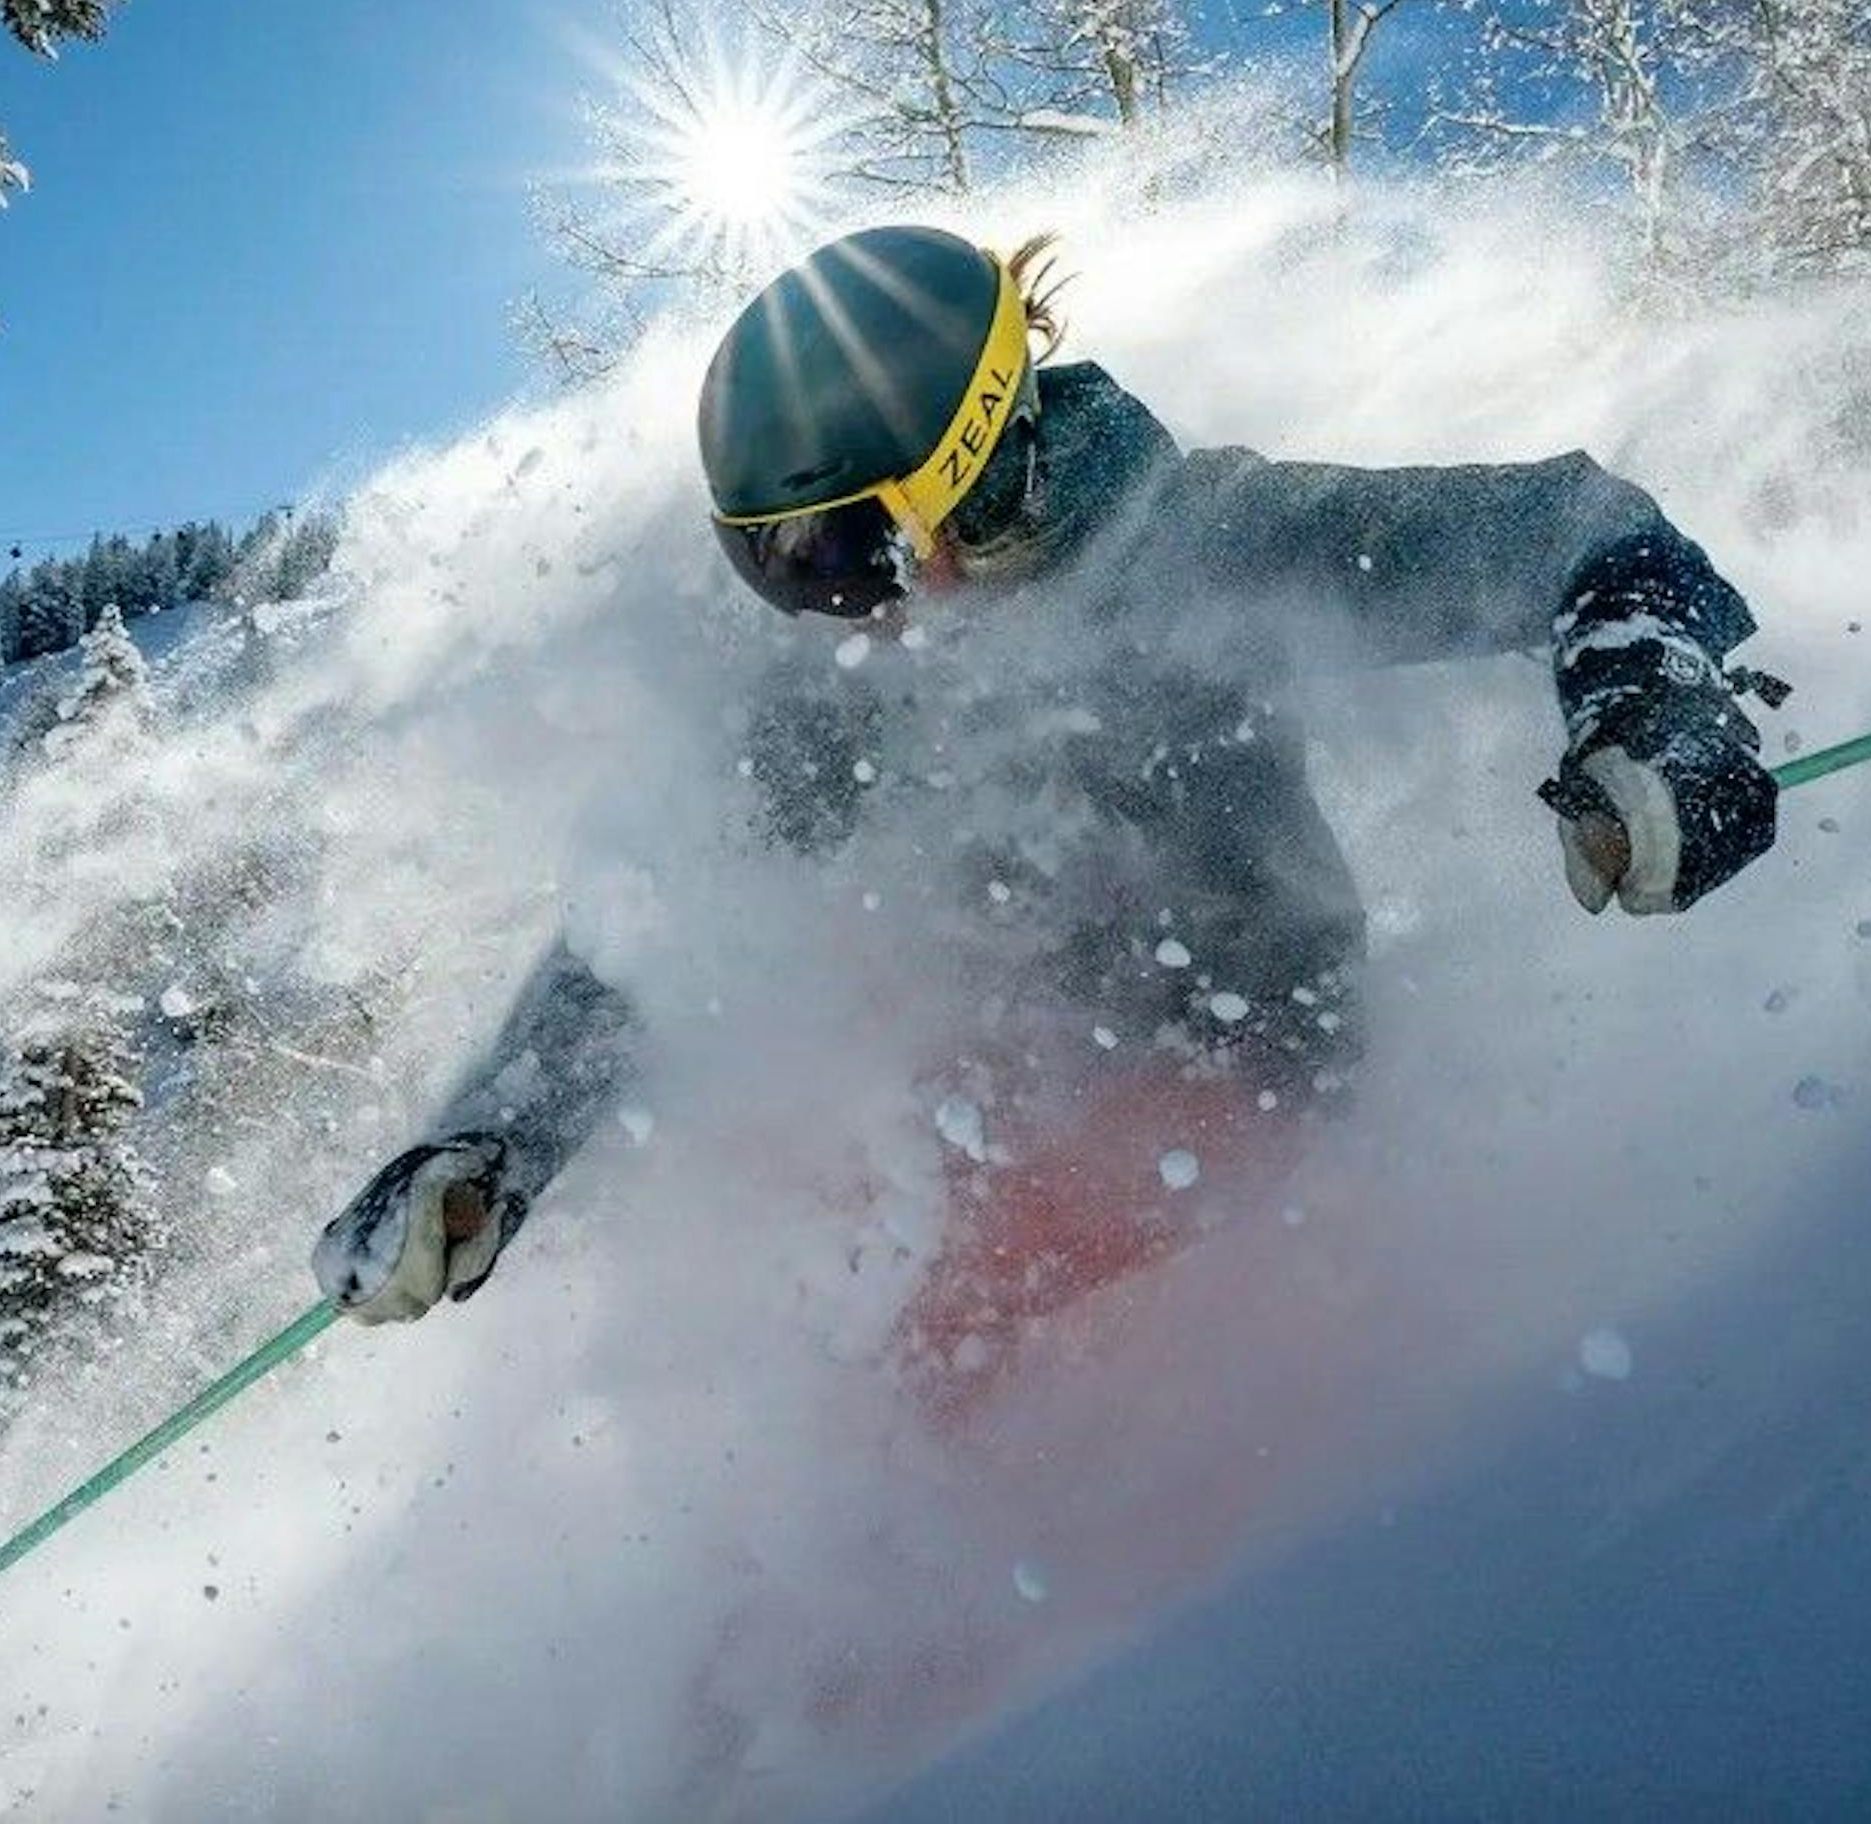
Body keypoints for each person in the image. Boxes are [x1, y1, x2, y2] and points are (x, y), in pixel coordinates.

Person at [310, 225, 1778, 1398]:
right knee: (837, 1291)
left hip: (1241, 1079)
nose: (830, 614)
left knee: (944, 1363)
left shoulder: (1203, 551)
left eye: (840, 559)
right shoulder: (863, 680)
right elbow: (672, 913)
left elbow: (1588, 538)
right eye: (778, 571)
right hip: (1004, 1076)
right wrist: (493, 1144)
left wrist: (1651, 700)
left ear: (957, 485)